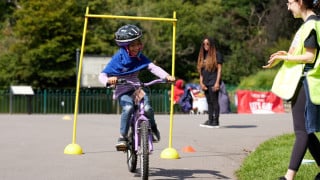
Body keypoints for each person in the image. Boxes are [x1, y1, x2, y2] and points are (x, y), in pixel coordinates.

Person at [263, 1, 320, 179]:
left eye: (290, 2)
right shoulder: (311, 24)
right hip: (306, 83)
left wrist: (286, 57)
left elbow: (310, 57)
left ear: (300, 2)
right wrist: (284, 55)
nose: (288, 7)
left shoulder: (311, 25)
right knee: (307, 132)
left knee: (302, 131)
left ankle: (288, 177)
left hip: (306, 83)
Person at [99, 24, 175, 150]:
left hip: (136, 88)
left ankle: (153, 127)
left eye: (138, 44)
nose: (136, 47)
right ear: (125, 47)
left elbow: (152, 67)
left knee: (148, 108)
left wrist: (167, 76)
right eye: (132, 45)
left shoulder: (140, 57)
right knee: (128, 108)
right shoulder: (119, 58)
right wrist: (108, 80)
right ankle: (122, 137)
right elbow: (102, 75)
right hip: (123, 90)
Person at [197, 36, 223, 128]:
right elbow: (201, 71)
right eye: (204, 44)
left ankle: (216, 121)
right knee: (209, 102)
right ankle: (210, 120)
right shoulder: (202, 55)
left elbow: (219, 69)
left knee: (214, 101)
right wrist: (201, 83)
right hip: (205, 82)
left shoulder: (217, 54)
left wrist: (217, 82)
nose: (205, 46)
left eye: (207, 44)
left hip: (213, 80)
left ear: (211, 44)